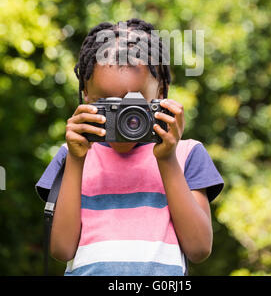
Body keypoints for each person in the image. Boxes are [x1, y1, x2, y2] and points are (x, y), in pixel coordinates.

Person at [36, 18, 224, 276]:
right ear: (85, 94)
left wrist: (167, 159)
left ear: (161, 93)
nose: (124, 117)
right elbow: (61, 250)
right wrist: (77, 160)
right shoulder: (72, 155)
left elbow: (199, 248)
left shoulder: (185, 154)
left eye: (134, 104)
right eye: (106, 102)